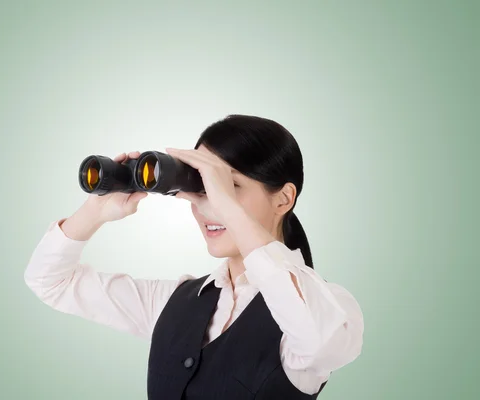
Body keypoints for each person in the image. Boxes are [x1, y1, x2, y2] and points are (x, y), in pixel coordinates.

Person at [24, 114, 364, 399]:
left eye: (230, 187)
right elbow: (50, 281)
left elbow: (321, 345)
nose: (208, 206)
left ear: (283, 198)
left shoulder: (329, 307)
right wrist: (95, 210)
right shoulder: (173, 302)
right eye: (200, 187)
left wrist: (227, 205)